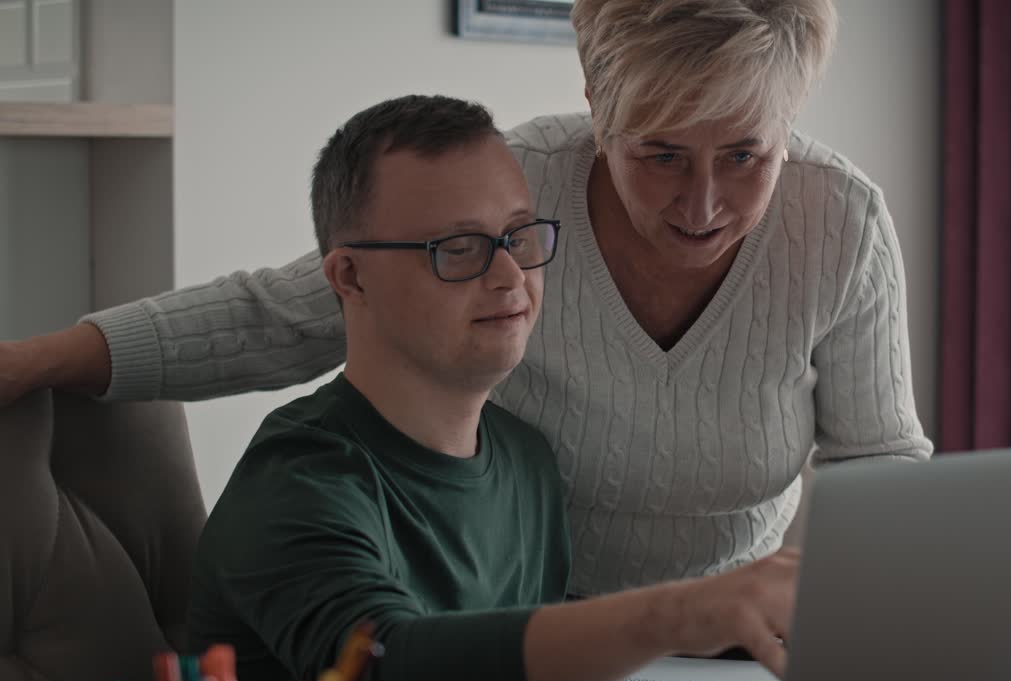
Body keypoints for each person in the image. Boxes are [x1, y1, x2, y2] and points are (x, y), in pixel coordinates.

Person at [0, 0, 932, 597]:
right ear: (599, 111)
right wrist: (32, 361)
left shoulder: (839, 221)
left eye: (745, 156)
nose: (702, 205)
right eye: (659, 155)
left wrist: (818, 646)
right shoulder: (515, 190)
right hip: (504, 632)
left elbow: (879, 465)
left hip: (727, 646)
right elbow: (287, 313)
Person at [192, 93, 798, 681]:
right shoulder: (299, 478)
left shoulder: (526, 458)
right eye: (458, 248)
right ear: (350, 277)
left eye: (518, 235)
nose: (511, 276)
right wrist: (675, 613)